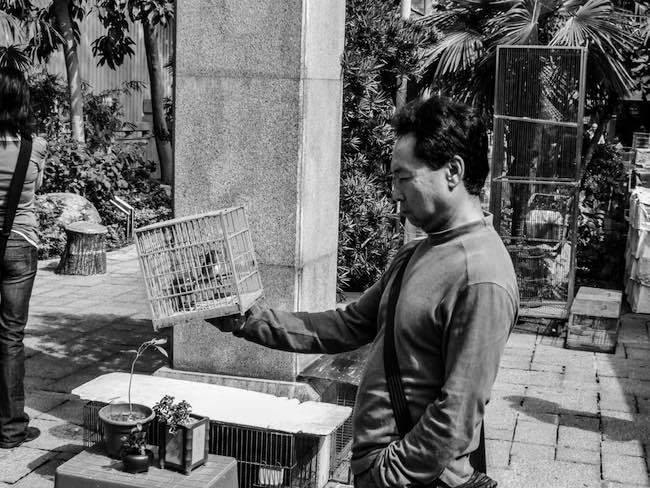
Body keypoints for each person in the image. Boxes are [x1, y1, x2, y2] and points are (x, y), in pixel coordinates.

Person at [209, 96, 519, 488]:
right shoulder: (416, 253)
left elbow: (458, 413)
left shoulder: (481, 275)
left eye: (403, 177)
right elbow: (347, 325)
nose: (394, 193)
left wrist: (388, 473)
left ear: (452, 171)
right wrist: (247, 319)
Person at [0, 66, 47, 448]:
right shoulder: (35, 146)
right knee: (10, 337)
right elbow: (36, 189)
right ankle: (12, 428)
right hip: (19, 245)